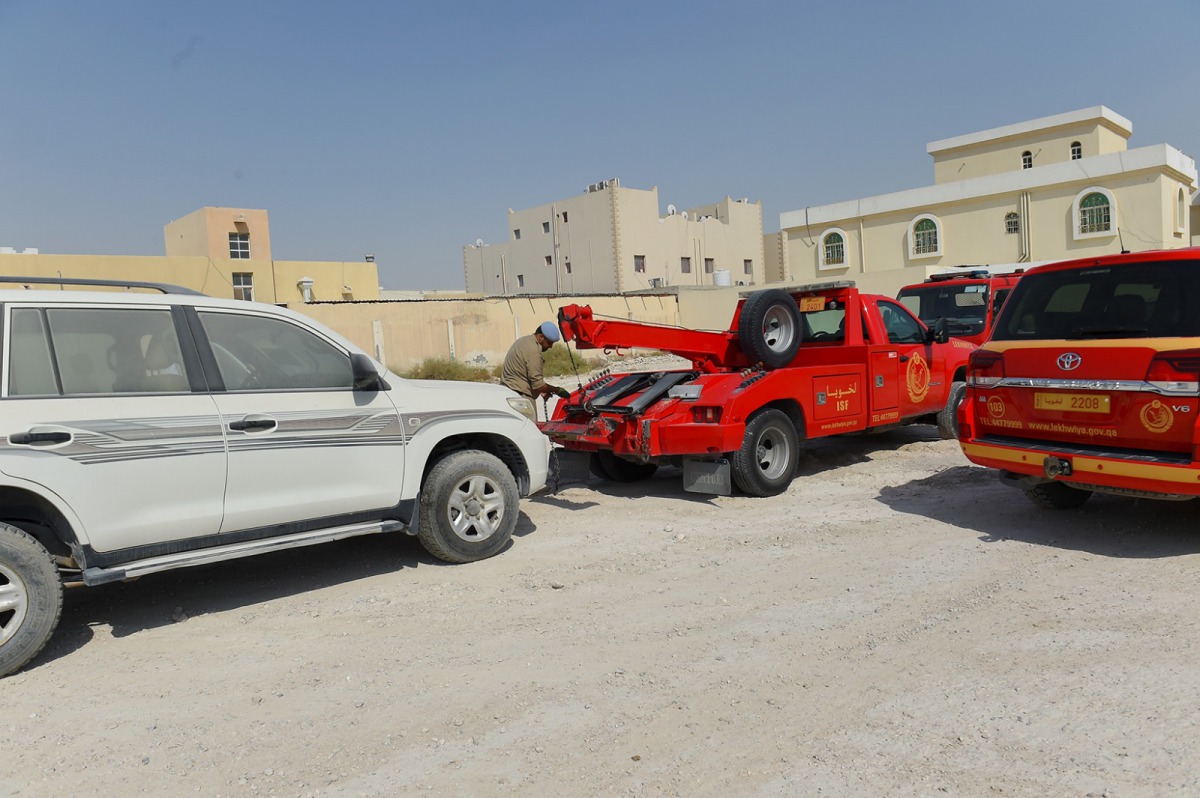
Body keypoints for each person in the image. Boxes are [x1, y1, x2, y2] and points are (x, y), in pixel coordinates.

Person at [501, 321, 570, 401]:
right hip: (521, 398)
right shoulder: (534, 351)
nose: (550, 347)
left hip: (508, 392)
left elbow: (525, 373)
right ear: (541, 337)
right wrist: (557, 390)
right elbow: (538, 385)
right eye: (549, 343)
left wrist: (543, 391)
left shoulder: (523, 341)